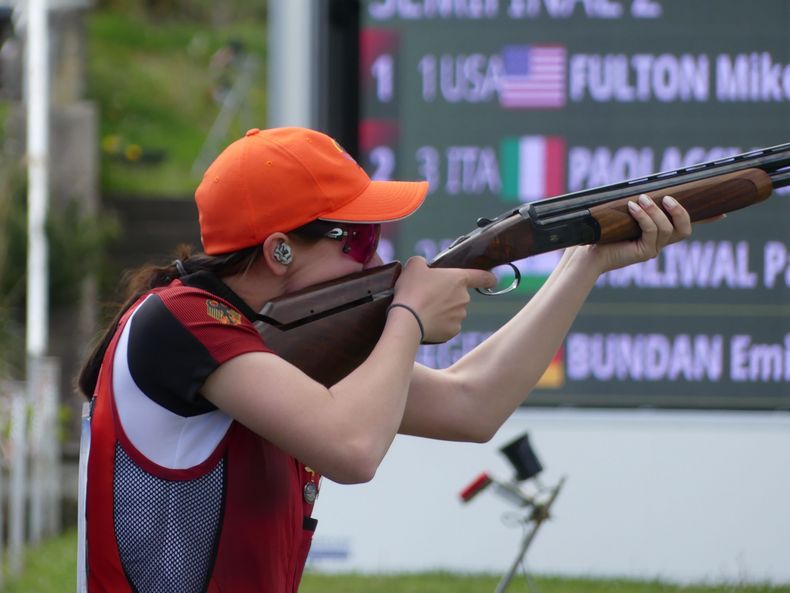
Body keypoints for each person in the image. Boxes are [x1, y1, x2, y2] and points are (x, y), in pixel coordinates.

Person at [77, 126, 693, 593]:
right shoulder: (179, 321)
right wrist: (409, 317)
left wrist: (584, 262)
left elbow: (472, 407)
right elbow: (352, 450)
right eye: (361, 239)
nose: (377, 261)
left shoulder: (265, 337)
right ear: (280, 250)